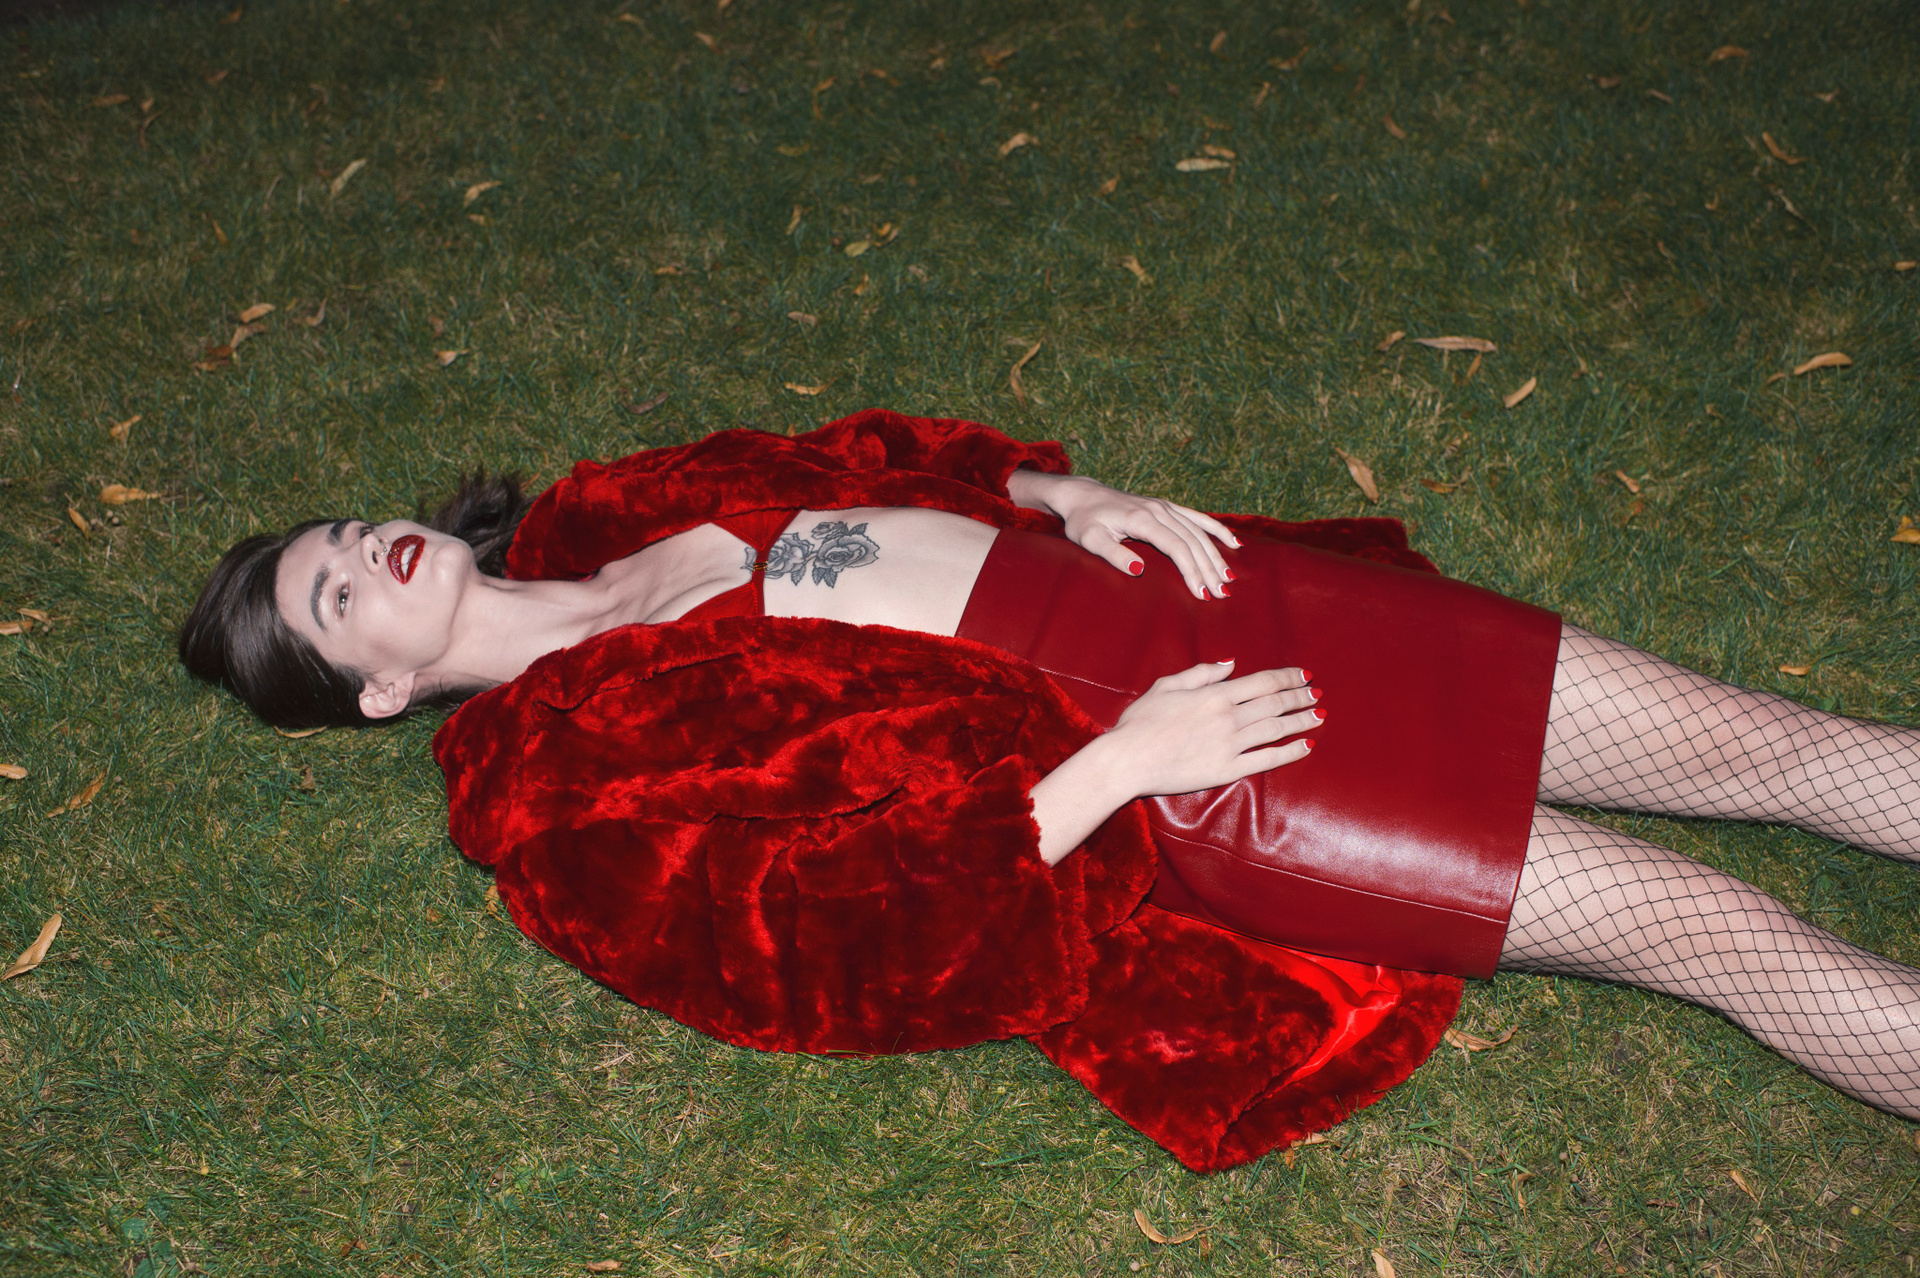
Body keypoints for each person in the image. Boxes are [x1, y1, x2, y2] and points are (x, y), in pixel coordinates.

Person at [178, 409, 1920, 1171]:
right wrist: (1127, 765)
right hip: (1200, 774)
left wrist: (1059, 494)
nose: (364, 547)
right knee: (1717, 928)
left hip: (1213, 595)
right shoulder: (550, 791)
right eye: (334, 596)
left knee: (1763, 742)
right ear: (376, 689)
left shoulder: (605, 506)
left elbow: (863, 458)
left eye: (340, 532)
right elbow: (827, 952)